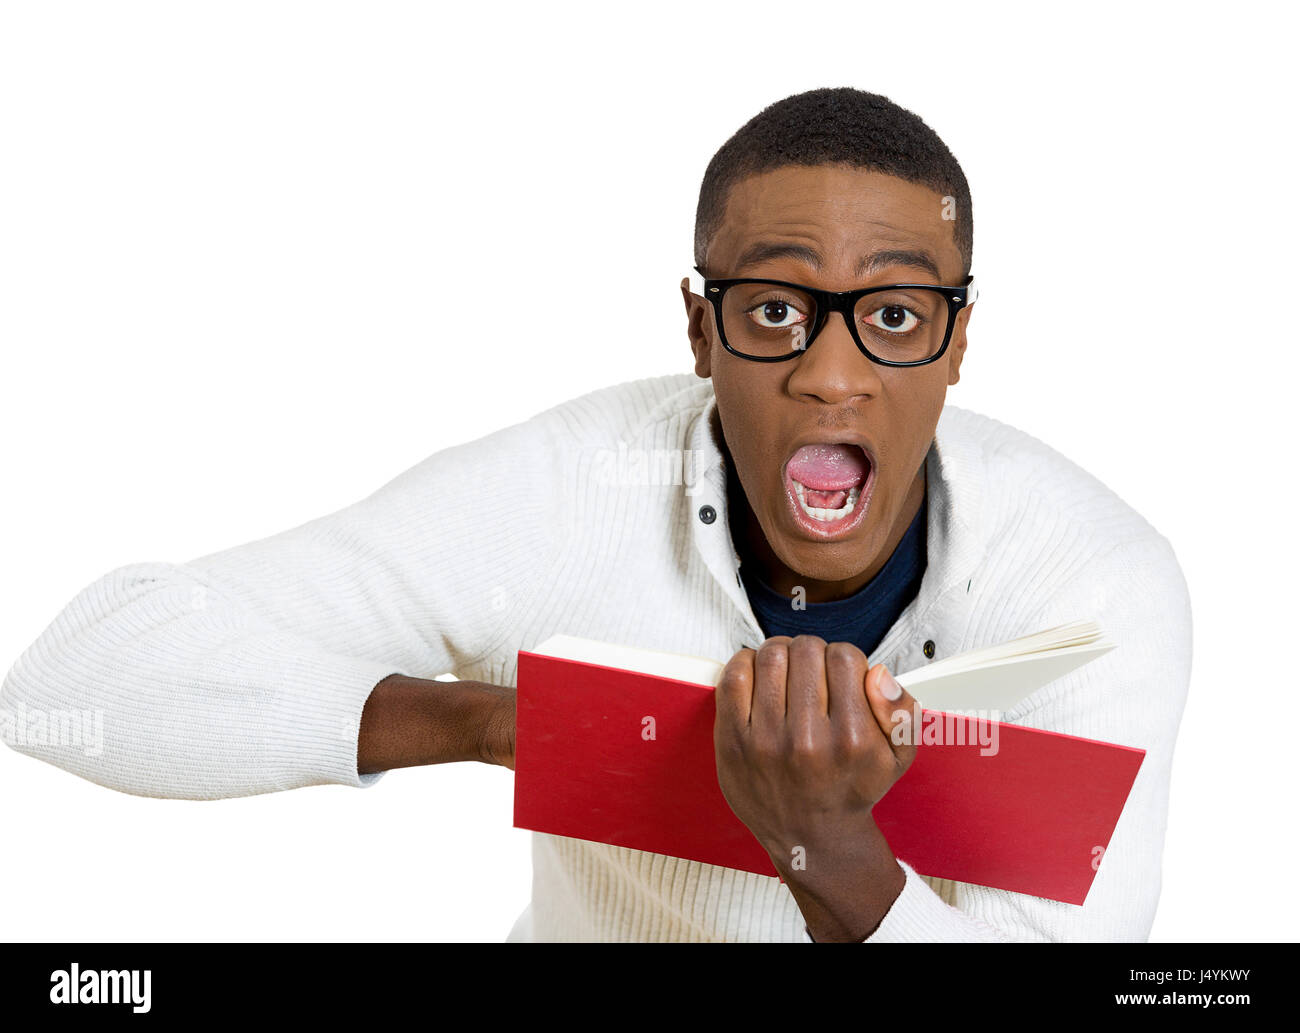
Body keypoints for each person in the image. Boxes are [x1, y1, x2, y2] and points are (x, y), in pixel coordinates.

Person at [0, 87, 1191, 942]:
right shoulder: (578, 488)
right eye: (773, 308)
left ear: (959, 340)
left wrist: (820, 843)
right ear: (698, 332)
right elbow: (81, 681)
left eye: (891, 314)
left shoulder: (1092, 585)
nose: (832, 375)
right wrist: (527, 725)